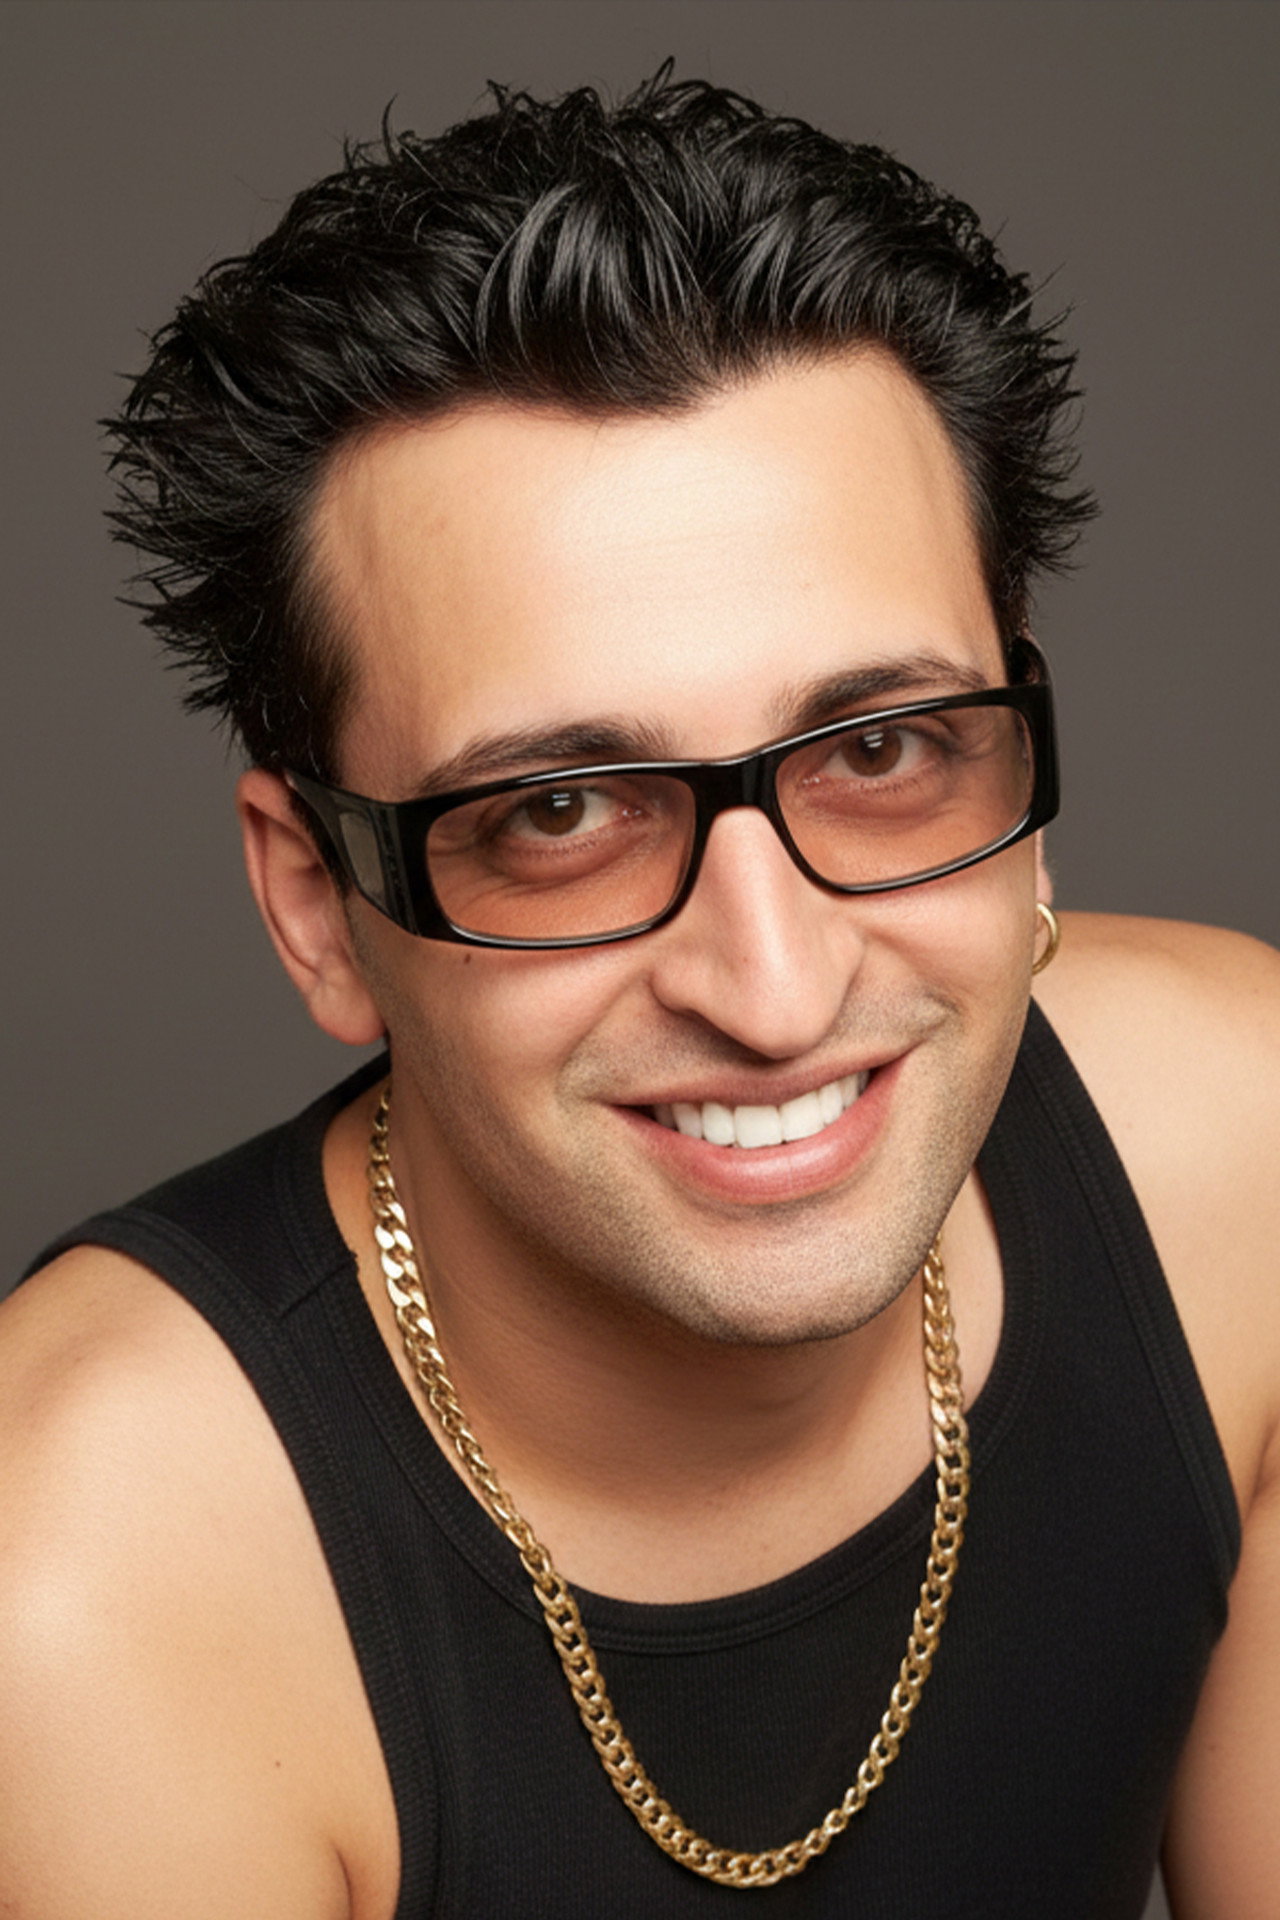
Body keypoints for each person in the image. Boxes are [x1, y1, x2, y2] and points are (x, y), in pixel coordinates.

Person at [2, 71, 1277, 1920]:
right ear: (318, 906)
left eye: (883, 749)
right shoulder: (82, 1589)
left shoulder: (1236, 1160)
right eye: (561, 813)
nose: (777, 987)